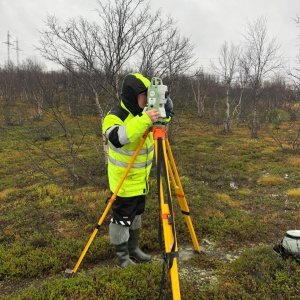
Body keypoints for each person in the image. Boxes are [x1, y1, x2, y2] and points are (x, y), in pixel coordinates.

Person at [102, 73, 160, 268]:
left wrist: (162, 113)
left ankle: (133, 248)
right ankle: (122, 257)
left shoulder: (144, 115)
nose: (148, 101)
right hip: (124, 183)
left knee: (136, 216)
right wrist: (145, 120)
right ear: (132, 95)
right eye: (145, 96)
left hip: (141, 181)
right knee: (121, 220)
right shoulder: (115, 115)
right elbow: (117, 137)